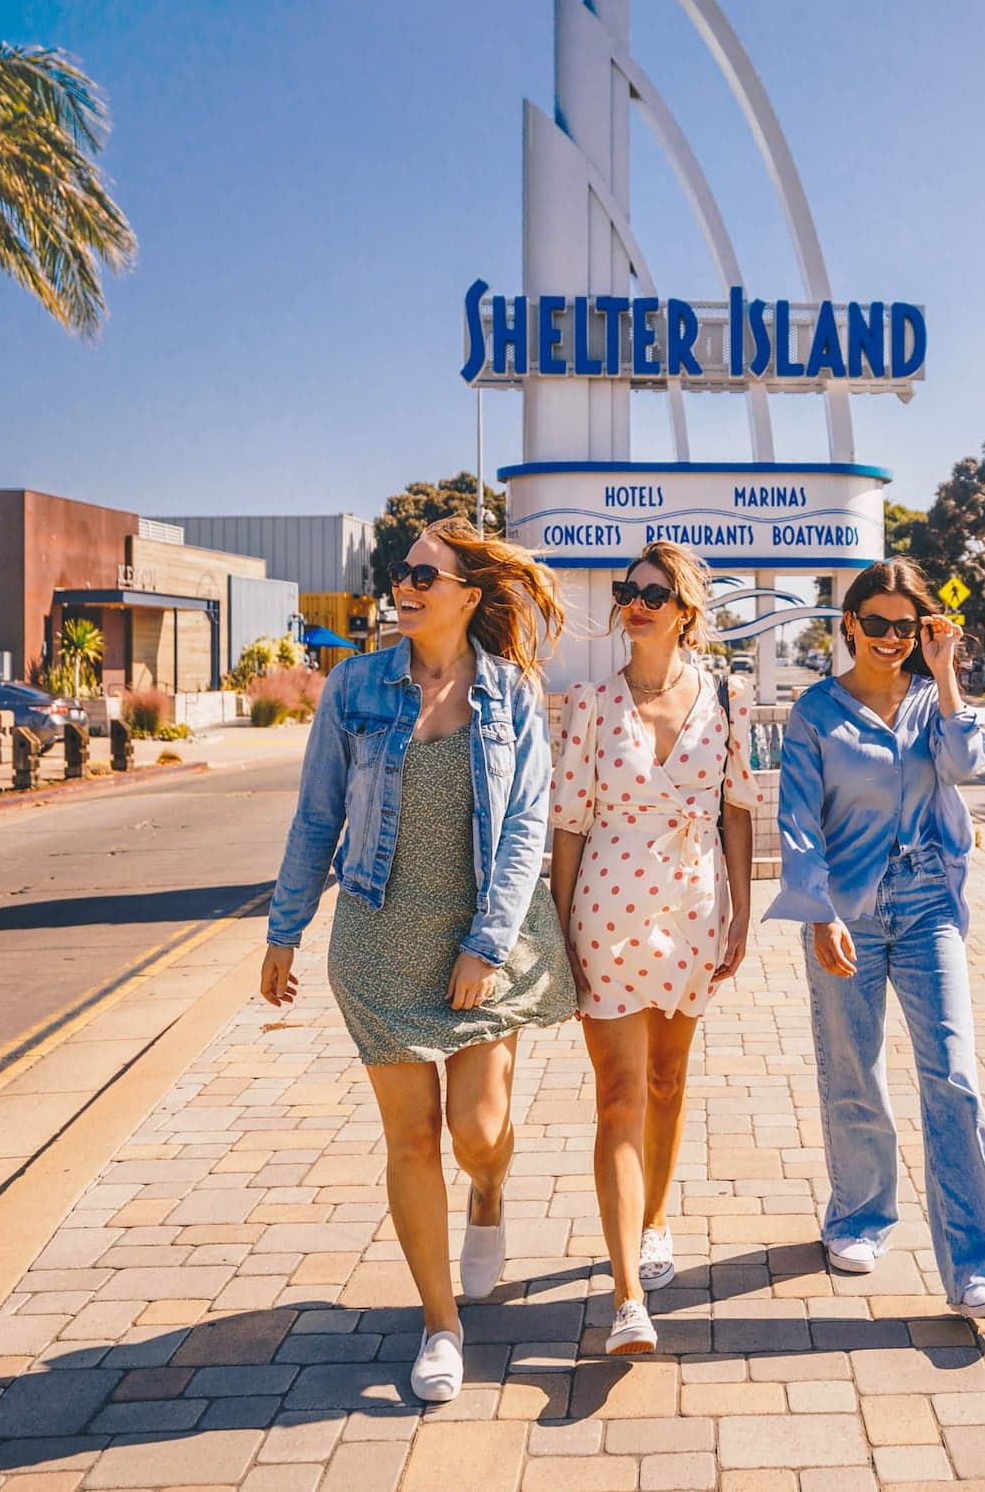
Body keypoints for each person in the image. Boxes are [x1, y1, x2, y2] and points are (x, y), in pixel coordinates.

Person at [260, 516, 577, 1403]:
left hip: (486, 935)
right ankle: (442, 1323)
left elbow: (524, 832)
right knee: (410, 1136)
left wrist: (485, 944)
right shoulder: (355, 686)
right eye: (402, 572)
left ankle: (489, 1192)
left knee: (477, 1129)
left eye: (425, 576)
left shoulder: (511, 692)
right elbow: (317, 817)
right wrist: (283, 929)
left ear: (469, 596)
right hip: (377, 936)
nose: (405, 586)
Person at [770, 557, 985, 1319]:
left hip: (926, 907)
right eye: (874, 623)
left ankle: (982, 1264)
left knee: (952, 1073)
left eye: (903, 626)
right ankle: (860, 1214)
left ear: (922, 629)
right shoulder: (816, 712)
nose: (887, 637)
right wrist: (818, 913)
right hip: (845, 910)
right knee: (854, 1071)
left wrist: (946, 673)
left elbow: (966, 762)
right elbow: (798, 821)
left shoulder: (929, 701)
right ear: (849, 625)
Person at [550, 541, 756, 1355]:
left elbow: (737, 808)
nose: (635, 601)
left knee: (669, 1079)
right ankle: (627, 1294)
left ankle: (657, 1216)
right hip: (606, 908)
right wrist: (558, 930)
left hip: (693, 907)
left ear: (685, 610)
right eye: (627, 589)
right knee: (618, 1095)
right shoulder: (591, 703)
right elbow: (569, 820)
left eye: (653, 591)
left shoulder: (727, 696)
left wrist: (741, 907)